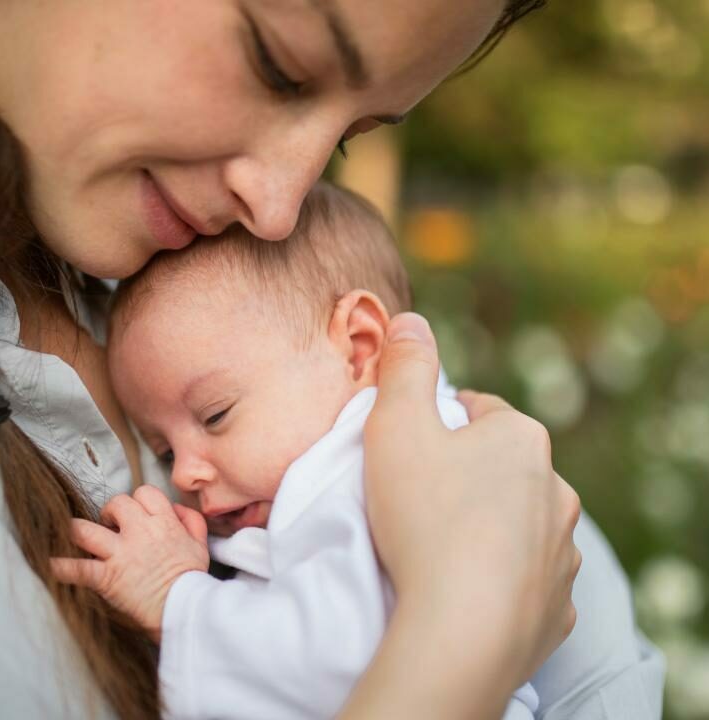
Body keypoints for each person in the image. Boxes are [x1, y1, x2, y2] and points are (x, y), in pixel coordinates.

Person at [0, 1, 604, 718]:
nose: (276, 206)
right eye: (276, 64)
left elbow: (589, 629)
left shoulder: (210, 271)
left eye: (346, 142)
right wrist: (461, 633)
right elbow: (505, 573)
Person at [58, 181, 542, 719]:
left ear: (358, 349)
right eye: (165, 452)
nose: (187, 474)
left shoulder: (361, 472)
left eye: (215, 414)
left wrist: (177, 600)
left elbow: (349, 663)